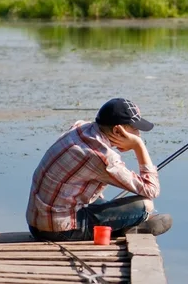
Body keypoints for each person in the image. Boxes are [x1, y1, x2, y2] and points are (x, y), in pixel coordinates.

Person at [25, 98, 172, 242]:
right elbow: (151, 190)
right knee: (145, 205)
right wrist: (138, 146)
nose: (138, 134)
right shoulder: (102, 157)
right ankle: (127, 227)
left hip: (38, 222)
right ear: (117, 130)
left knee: (102, 201)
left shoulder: (80, 128)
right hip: (58, 231)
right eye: (135, 129)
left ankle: (127, 225)